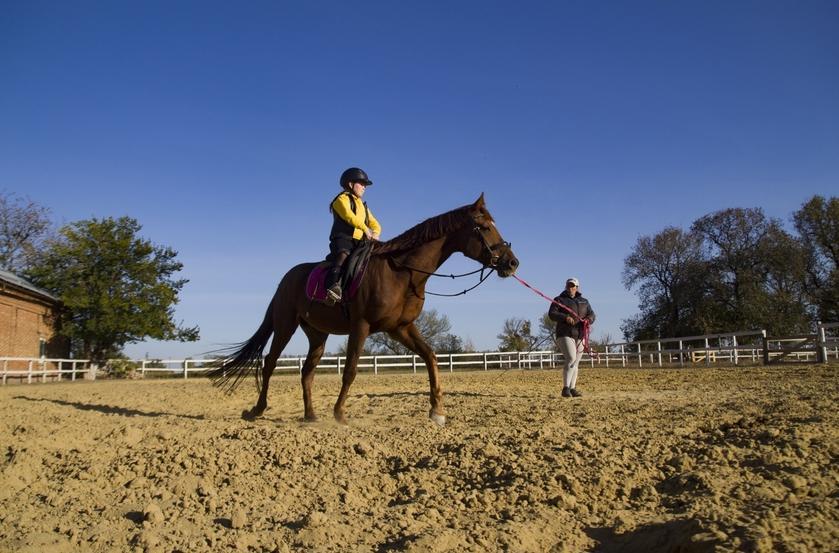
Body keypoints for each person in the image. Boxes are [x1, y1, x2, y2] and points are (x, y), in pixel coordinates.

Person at [325, 167, 382, 304]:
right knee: (343, 256)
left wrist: (375, 233)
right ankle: (332, 289)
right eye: (361, 184)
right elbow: (349, 216)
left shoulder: (363, 206)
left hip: (359, 242)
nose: (364, 187)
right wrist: (365, 228)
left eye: (365, 185)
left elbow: (375, 224)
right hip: (343, 239)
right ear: (350, 184)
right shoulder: (340, 200)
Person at [548, 277, 596, 398]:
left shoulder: (584, 301)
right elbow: (552, 314)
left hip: (580, 334)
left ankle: (572, 388)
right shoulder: (559, 299)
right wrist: (565, 317)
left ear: (577, 287)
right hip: (564, 333)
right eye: (568, 285)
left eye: (572, 286)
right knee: (571, 358)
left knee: (576, 362)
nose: (570, 288)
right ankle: (565, 388)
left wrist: (588, 320)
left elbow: (592, 314)